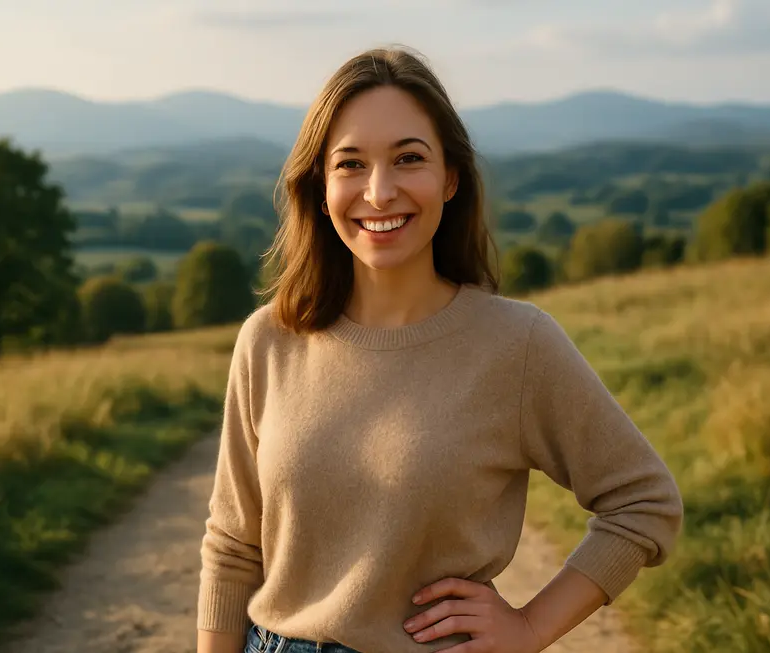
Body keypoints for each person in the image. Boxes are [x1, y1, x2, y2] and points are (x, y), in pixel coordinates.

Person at [196, 46, 683, 653]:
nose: (379, 192)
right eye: (351, 164)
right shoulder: (270, 339)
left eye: (409, 158)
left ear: (450, 177)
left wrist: (531, 627)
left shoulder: (517, 343)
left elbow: (644, 501)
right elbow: (232, 545)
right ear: (321, 187)